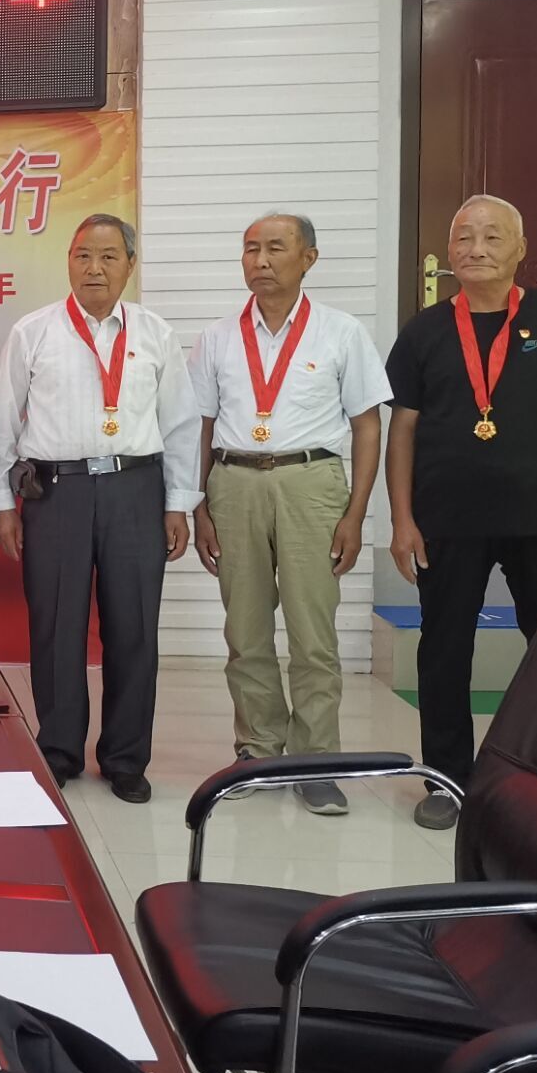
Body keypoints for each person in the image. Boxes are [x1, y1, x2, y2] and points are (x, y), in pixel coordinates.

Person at [385, 194, 537, 830]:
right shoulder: (423, 331)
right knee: (444, 650)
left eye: (492, 236)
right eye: (464, 237)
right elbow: (402, 430)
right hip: (446, 519)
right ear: (448, 251)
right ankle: (447, 779)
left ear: (520, 249)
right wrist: (402, 519)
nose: (476, 248)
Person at [0, 215, 200, 803]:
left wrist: (179, 503)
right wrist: (2, 504)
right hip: (57, 492)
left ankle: (126, 758)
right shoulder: (33, 331)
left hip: (136, 488)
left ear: (130, 265)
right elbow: (2, 422)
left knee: (133, 626)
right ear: (69, 262)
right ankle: (59, 749)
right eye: (83, 256)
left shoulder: (155, 333)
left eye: (109, 257)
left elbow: (180, 424)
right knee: (55, 624)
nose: (95, 269)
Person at [189, 214, 391, 815]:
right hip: (233, 483)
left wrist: (356, 513)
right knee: (245, 629)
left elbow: (367, 426)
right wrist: (199, 505)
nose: (261, 260)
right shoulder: (217, 338)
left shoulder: (341, 332)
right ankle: (257, 750)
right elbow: (198, 426)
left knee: (312, 632)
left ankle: (316, 761)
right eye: (250, 248)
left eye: (276, 248)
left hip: (312, 483)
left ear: (309, 258)